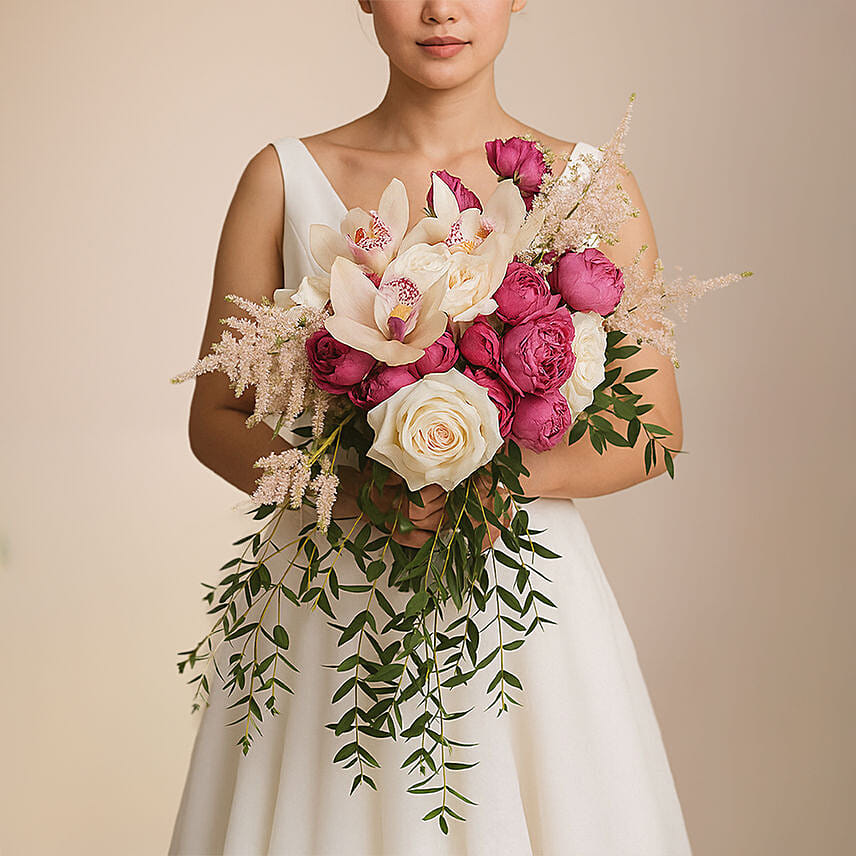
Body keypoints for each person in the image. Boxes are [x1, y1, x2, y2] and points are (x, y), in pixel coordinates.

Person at [169, 2, 692, 853]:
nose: (442, 9)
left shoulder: (588, 186)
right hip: (331, 596)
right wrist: (362, 490)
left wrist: (497, 483)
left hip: (520, 599)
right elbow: (216, 417)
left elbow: (655, 428)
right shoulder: (286, 176)